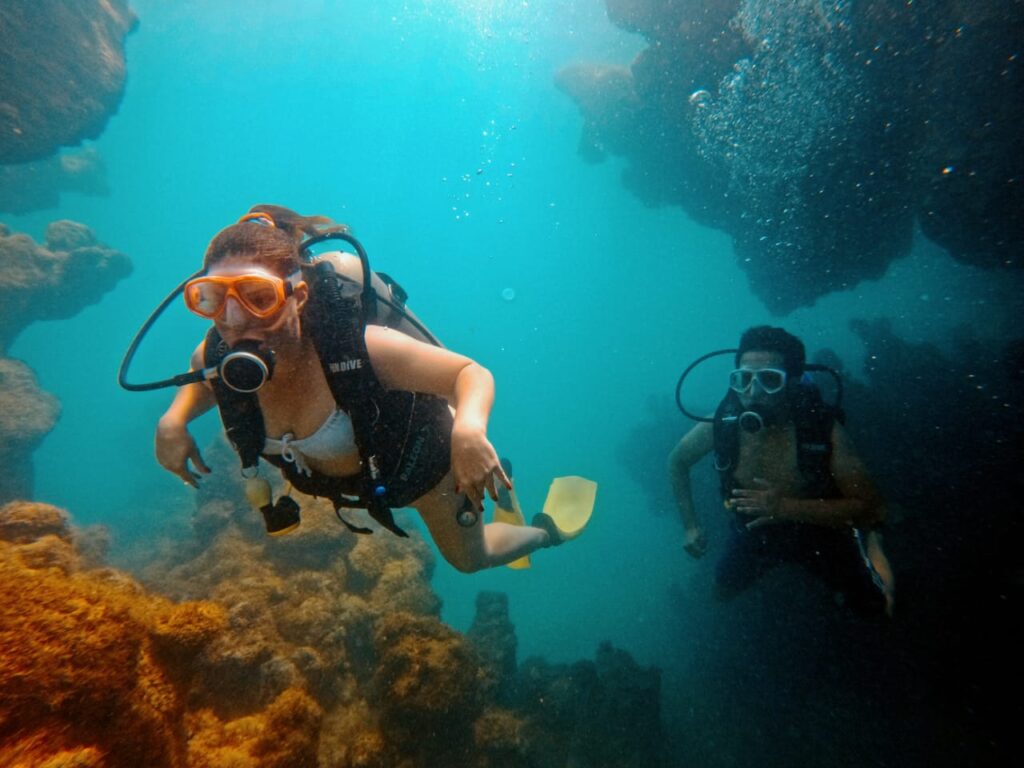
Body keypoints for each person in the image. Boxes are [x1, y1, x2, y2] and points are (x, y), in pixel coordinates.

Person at [154, 205, 594, 572]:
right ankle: (497, 479)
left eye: (258, 296)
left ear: (298, 296)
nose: (234, 320)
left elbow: (469, 374)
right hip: (362, 482)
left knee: (472, 559)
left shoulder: (360, 348)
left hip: (421, 465)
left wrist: (469, 433)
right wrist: (173, 420)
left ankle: (545, 531)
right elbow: (205, 389)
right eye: (210, 299)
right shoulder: (213, 361)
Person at [668, 326, 895, 616]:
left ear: (793, 382)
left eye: (770, 380)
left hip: (821, 529)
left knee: (877, 605)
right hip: (752, 530)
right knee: (721, 592)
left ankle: (874, 544)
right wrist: (690, 526)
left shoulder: (822, 430)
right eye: (743, 379)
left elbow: (869, 508)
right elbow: (677, 461)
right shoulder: (722, 424)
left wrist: (784, 507)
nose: (753, 393)